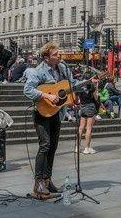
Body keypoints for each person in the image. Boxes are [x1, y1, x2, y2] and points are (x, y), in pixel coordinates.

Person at [23, 41, 76, 200]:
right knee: (45, 145)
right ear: (46, 57)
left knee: (52, 147)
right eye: (55, 54)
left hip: (57, 113)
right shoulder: (37, 71)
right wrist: (47, 95)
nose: (59, 55)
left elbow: (70, 86)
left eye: (58, 53)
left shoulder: (63, 69)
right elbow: (28, 90)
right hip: (42, 113)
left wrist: (87, 84)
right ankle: (38, 184)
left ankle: (47, 181)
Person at [76, 73, 100, 154]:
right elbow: (96, 97)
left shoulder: (79, 86)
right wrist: (96, 85)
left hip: (82, 106)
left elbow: (77, 98)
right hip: (90, 106)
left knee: (81, 127)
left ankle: (77, 147)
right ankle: (87, 148)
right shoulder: (91, 86)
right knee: (89, 128)